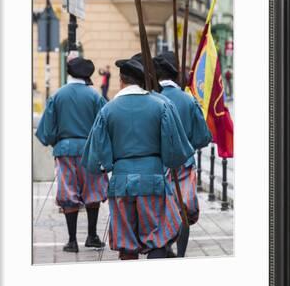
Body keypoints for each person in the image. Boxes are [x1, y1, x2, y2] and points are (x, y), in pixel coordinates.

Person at [81, 58, 194, 260]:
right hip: (153, 179)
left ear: (121, 80)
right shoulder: (161, 106)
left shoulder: (108, 110)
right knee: (158, 237)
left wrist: (106, 167)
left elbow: (95, 157)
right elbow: (175, 151)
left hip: (121, 181)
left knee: (126, 242)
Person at [35, 57, 108, 253]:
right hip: (90, 149)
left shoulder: (58, 96)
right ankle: (92, 236)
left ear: (69, 73)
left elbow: (46, 131)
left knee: (68, 192)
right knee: (92, 191)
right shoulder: (95, 97)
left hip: (65, 150)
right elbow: (104, 126)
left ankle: (72, 241)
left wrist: (57, 142)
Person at [153, 51, 212, 256]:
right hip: (185, 164)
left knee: (162, 208)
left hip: (157, 164)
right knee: (184, 209)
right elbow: (203, 137)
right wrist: (187, 144)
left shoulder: (152, 98)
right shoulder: (188, 100)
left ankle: (166, 245)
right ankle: (181, 254)